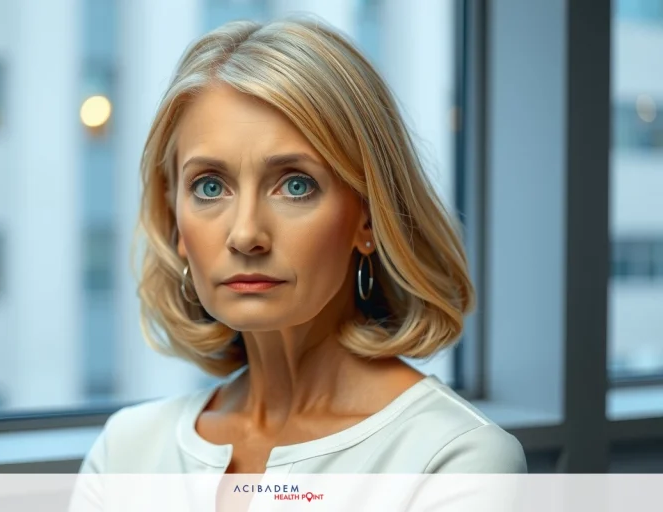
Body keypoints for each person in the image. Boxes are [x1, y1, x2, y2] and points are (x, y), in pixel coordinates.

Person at [79, 17, 527, 476]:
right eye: (210, 187)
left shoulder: (457, 458)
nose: (246, 234)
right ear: (174, 220)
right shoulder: (126, 451)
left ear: (368, 219)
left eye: (296, 185)